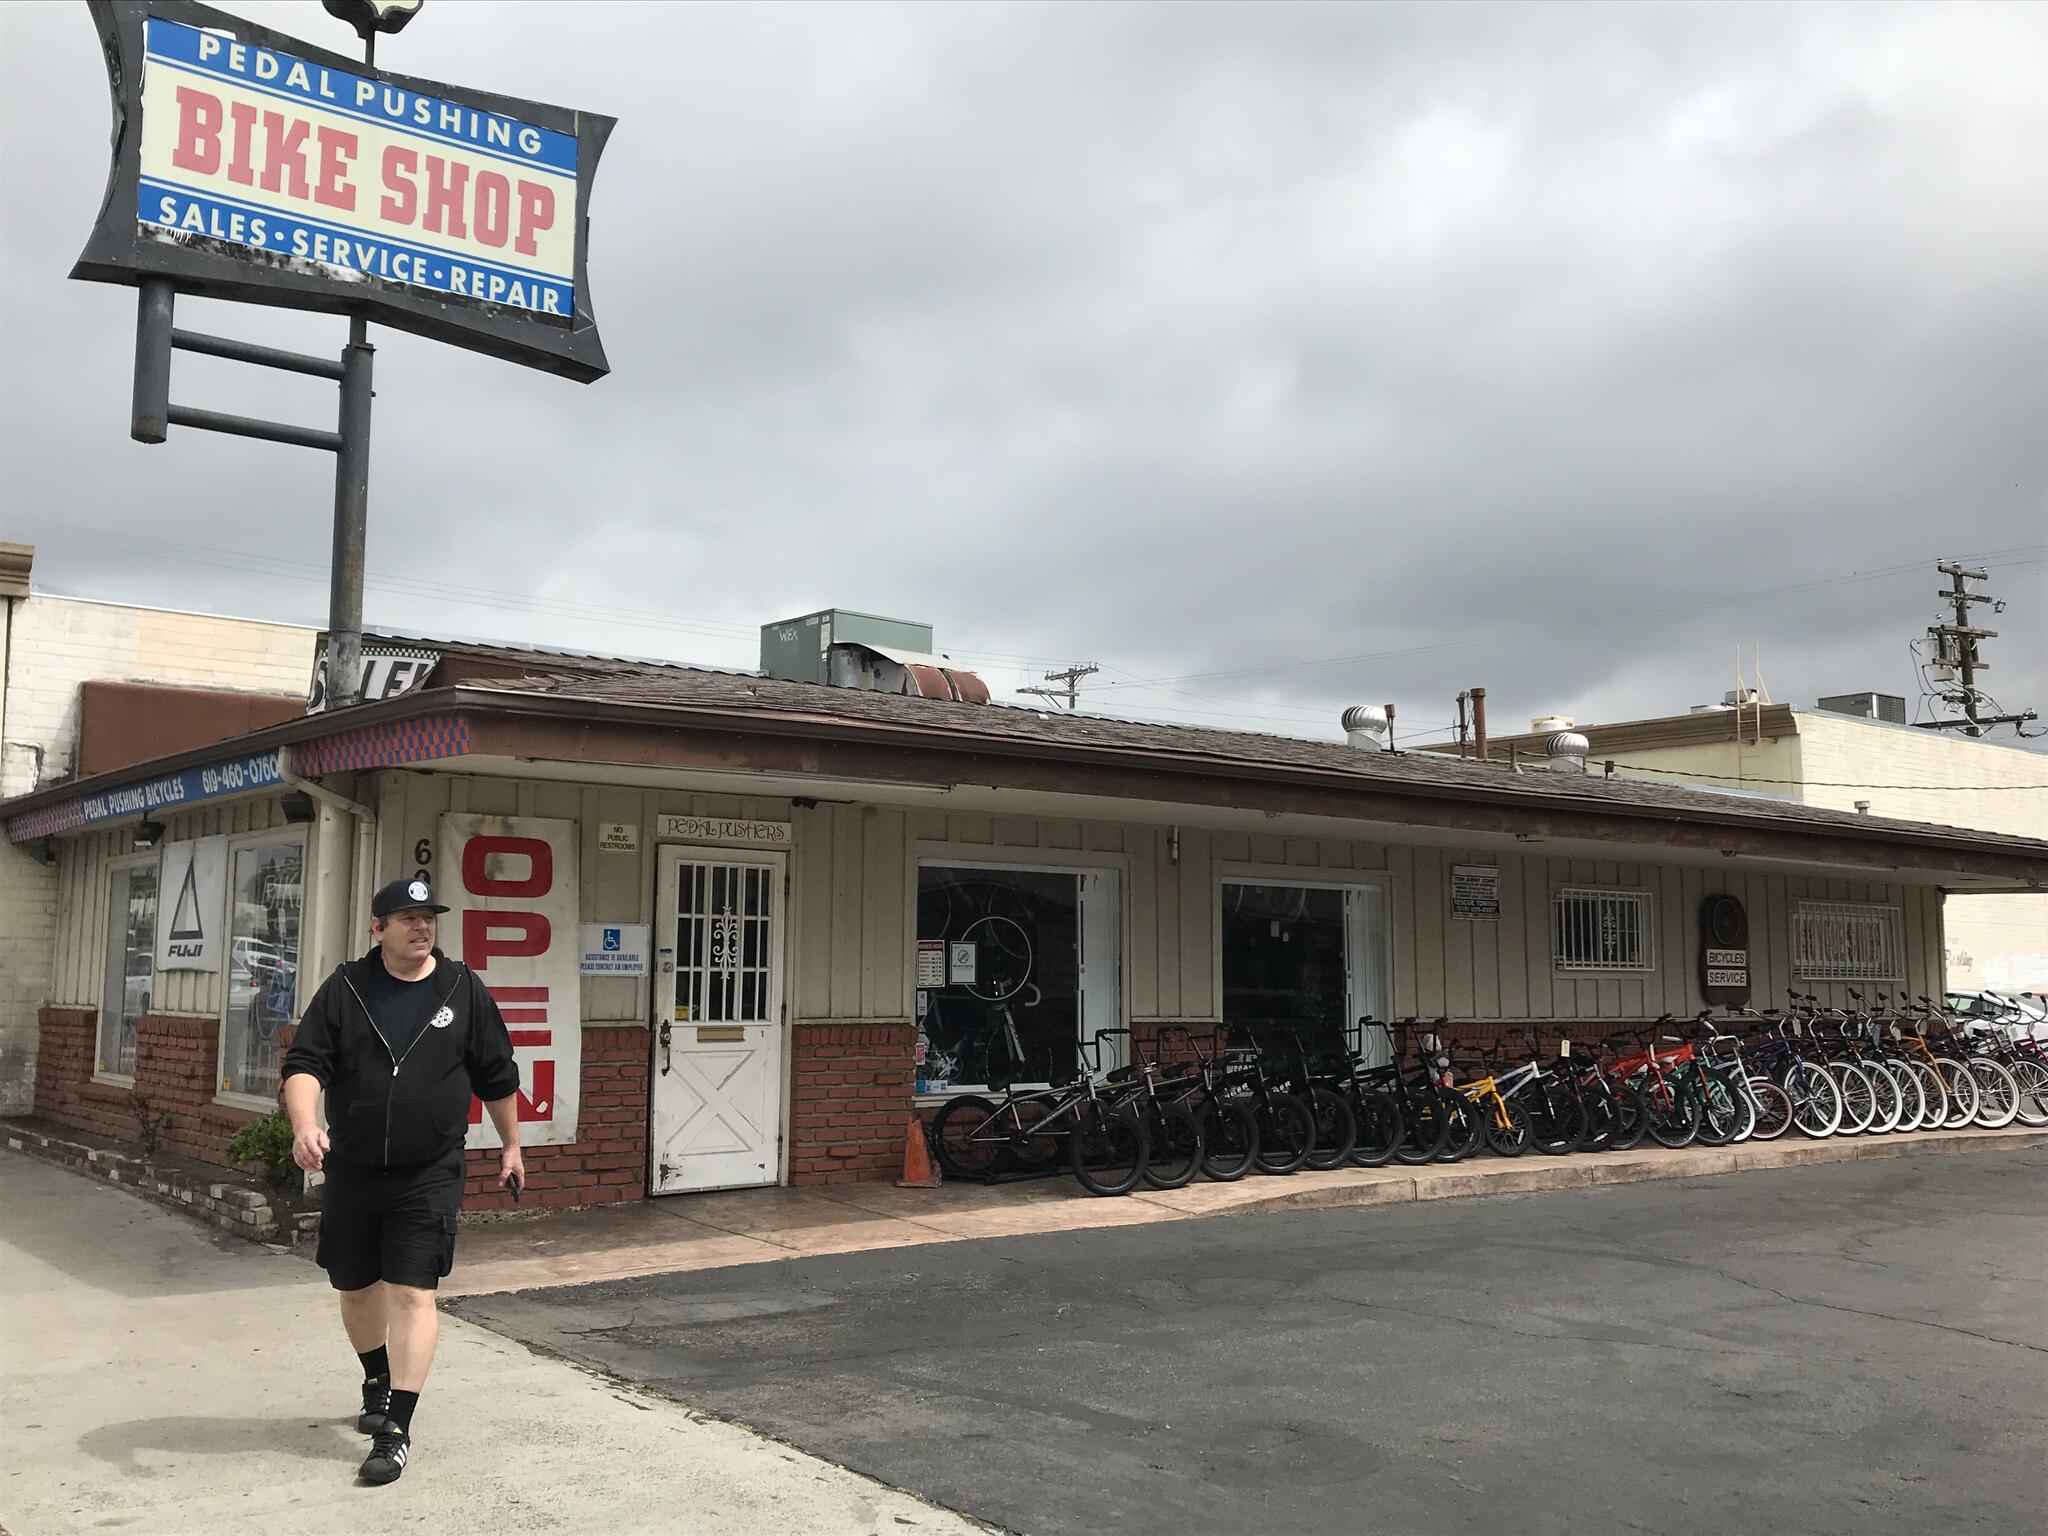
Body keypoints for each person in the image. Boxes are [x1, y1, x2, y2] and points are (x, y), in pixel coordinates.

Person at [280, 877, 524, 1486]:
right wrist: (304, 1126)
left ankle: (397, 1430)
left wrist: (512, 1145)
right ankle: (376, 1377)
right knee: (357, 1286)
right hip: (355, 1169)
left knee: (413, 1291)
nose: (422, 928)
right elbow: (305, 1064)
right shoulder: (346, 989)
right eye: (407, 918)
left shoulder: (463, 989)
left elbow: (496, 1074)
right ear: (377, 927)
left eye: (429, 918)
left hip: (429, 1170)